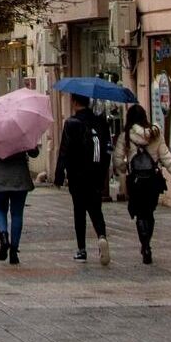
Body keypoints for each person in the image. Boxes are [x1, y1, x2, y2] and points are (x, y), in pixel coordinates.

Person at [113, 102, 171, 264]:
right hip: (153, 180)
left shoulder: (126, 135)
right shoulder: (155, 134)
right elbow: (166, 157)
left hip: (136, 180)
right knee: (149, 213)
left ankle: (145, 245)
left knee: (140, 214)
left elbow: (118, 160)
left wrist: (125, 167)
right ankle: (147, 243)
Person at [54, 93, 113, 264]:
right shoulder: (101, 122)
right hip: (96, 174)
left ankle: (82, 249)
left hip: (77, 175)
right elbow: (107, 150)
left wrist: (59, 176)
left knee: (79, 211)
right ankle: (101, 235)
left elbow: (64, 151)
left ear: (74, 102)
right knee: (96, 208)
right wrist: (103, 173)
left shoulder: (71, 123)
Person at [0, 146, 40, 265]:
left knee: (0, 209)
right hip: (19, 176)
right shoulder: (22, 131)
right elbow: (34, 153)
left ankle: (4, 235)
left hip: (1, 175)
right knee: (17, 214)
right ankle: (14, 252)